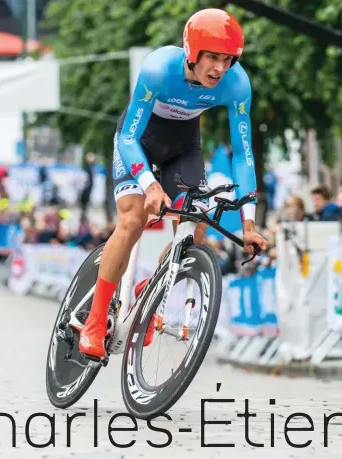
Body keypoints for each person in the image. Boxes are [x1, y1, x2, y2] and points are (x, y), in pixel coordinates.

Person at [78, 8, 269, 360]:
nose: (219, 69)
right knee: (133, 220)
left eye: (227, 60)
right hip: (139, 139)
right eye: (212, 57)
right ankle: (94, 319)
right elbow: (129, 137)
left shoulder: (237, 84)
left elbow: (243, 155)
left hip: (184, 147)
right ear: (192, 52)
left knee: (195, 229)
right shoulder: (158, 69)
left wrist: (248, 223)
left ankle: (149, 290)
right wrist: (149, 184)